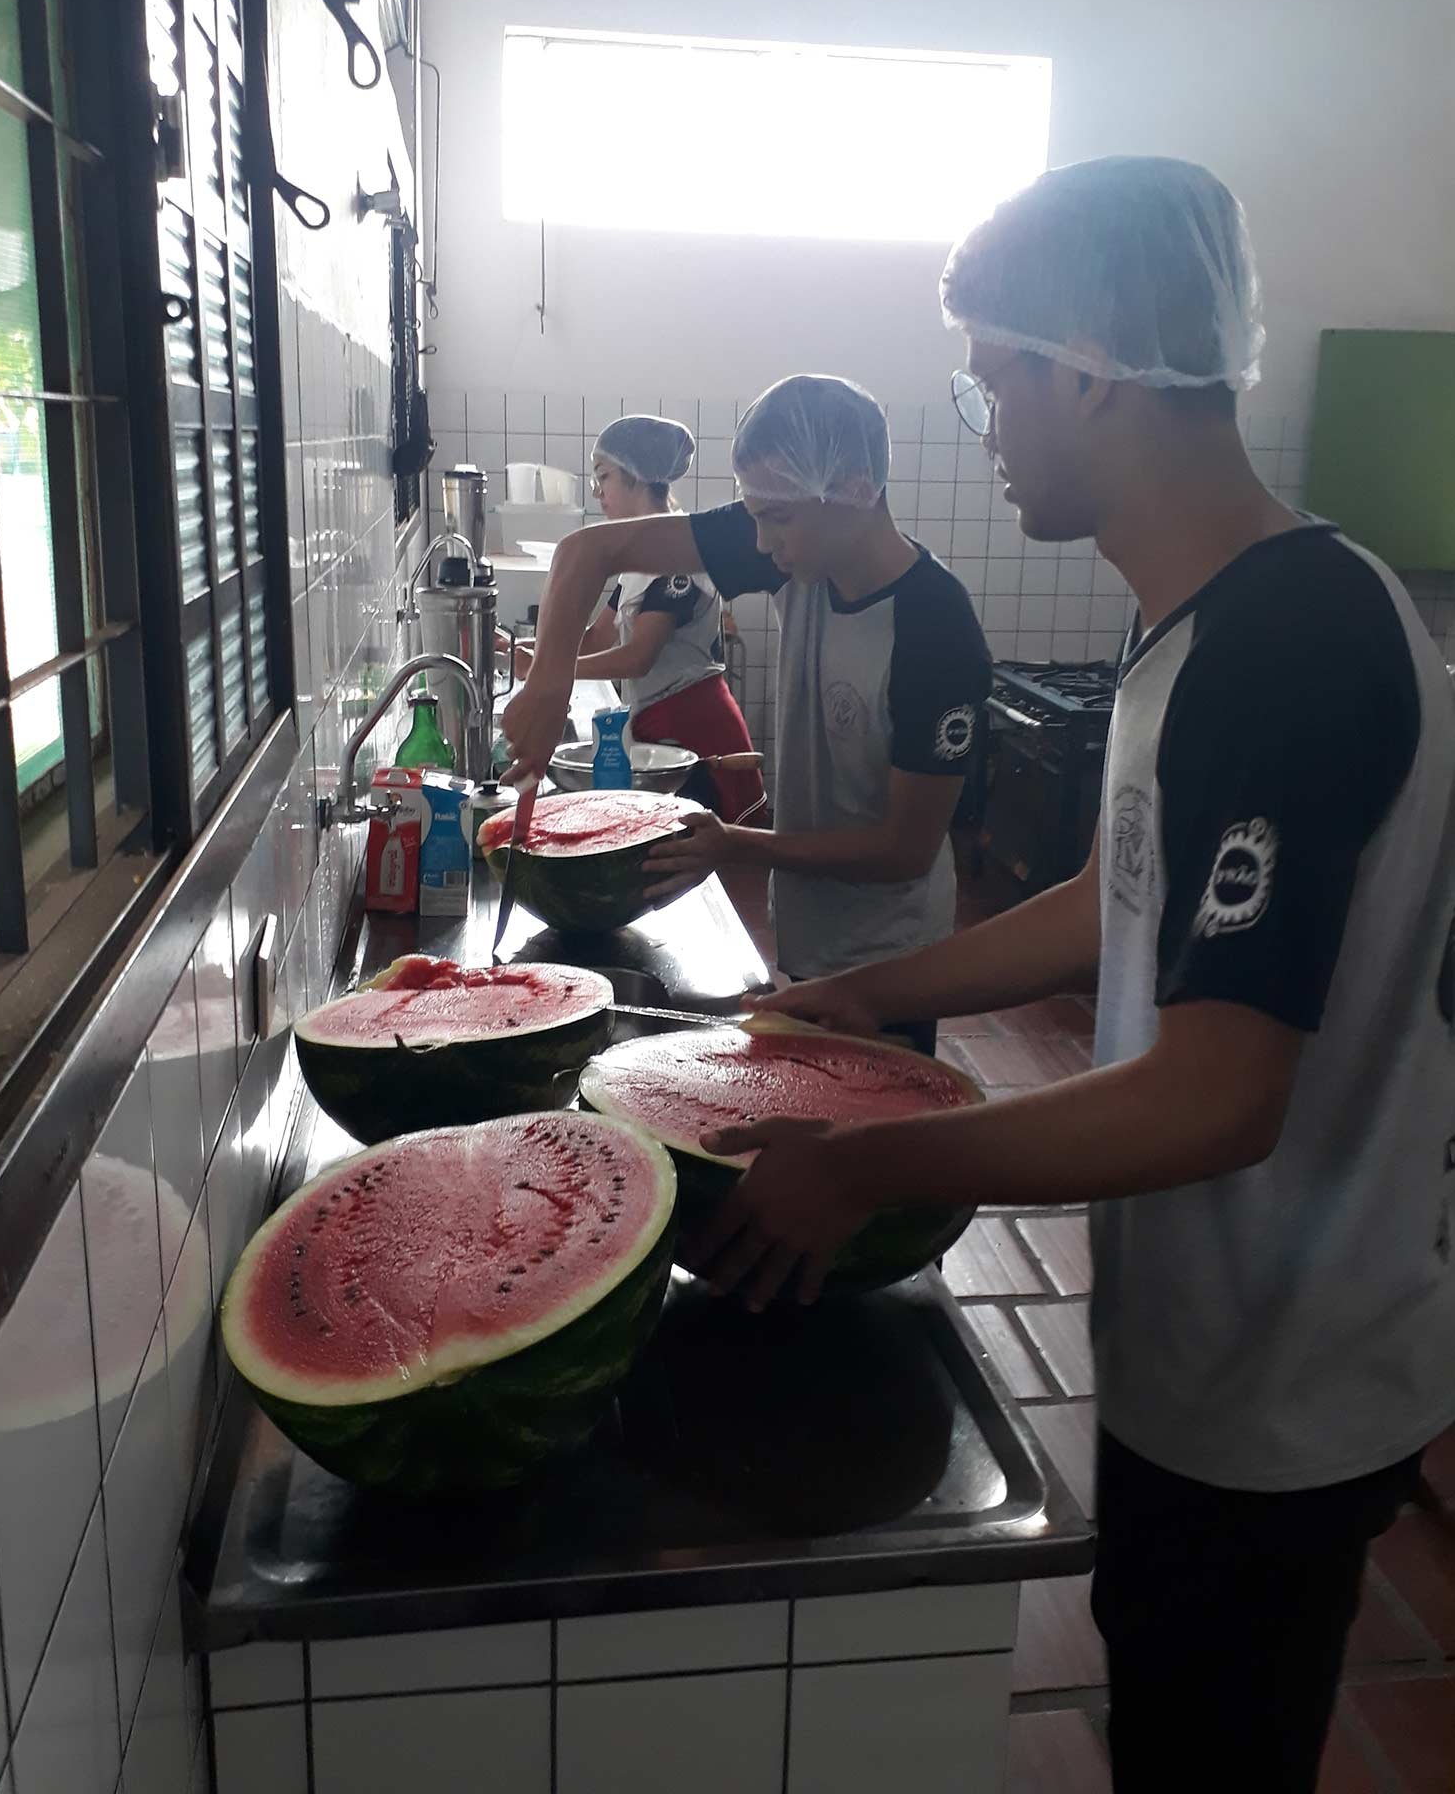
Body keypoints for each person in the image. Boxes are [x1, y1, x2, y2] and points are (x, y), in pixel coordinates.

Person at [684, 159, 1455, 1792]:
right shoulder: (1197, 623)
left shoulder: (1291, 646)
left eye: (993, 383)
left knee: (1212, 1746)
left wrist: (867, 1167)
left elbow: (1218, 1099)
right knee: (1163, 1696)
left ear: (1090, 372)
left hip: (1289, 1369)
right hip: (1206, 1339)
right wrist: (873, 995)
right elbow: (1117, 895)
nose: (986, 429)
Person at [501, 373, 992, 1053]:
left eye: (776, 518)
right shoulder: (795, 548)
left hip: (893, 960)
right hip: (808, 929)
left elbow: (902, 850)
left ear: (855, 489)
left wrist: (736, 843)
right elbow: (587, 551)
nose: (759, 543)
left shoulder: (936, 626)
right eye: (754, 515)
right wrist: (548, 681)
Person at [512, 416, 764, 822]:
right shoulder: (635, 562)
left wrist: (551, 672)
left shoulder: (678, 559)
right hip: (659, 723)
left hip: (696, 728)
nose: (597, 492)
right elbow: (597, 637)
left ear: (638, 477)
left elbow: (638, 657)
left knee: (707, 849)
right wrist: (530, 653)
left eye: (603, 477)